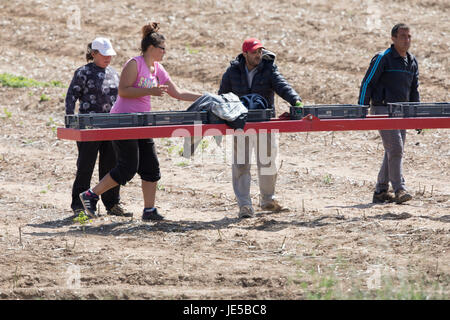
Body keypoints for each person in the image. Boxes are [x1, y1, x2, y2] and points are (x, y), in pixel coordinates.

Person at [79, 23, 202, 221]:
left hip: (143, 123)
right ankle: (90, 195)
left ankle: (149, 210)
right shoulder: (134, 64)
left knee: (151, 168)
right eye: (162, 48)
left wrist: (204, 97)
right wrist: (150, 91)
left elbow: (177, 93)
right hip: (123, 121)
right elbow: (124, 90)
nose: (164, 52)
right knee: (128, 167)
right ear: (152, 48)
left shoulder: (158, 69)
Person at [218, 38, 303, 218]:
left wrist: (295, 100)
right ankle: (245, 206)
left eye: (260, 52)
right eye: (254, 52)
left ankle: (268, 200)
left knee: (267, 163)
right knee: (241, 164)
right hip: (240, 124)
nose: (258, 55)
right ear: (245, 54)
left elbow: (282, 86)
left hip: (265, 123)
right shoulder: (232, 71)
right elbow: (222, 95)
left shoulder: (269, 69)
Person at [66, 37, 129, 217]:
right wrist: (70, 122)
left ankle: (112, 204)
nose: (108, 58)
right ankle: (78, 205)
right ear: (94, 54)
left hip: (111, 126)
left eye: (110, 55)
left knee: (110, 166)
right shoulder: (83, 73)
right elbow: (71, 96)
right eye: (104, 55)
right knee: (86, 165)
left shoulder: (115, 73)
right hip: (88, 128)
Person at [358, 23, 419, 204]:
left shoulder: (412, 61)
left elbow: (414, 90)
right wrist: (362, 108)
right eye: (402, 36)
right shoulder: (383, 58)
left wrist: (417, 115)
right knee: (396, 149)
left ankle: (381, 191)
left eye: (409, 36)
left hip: (402, 112)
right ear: (393, 38)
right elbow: (367, 82)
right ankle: (400, 189)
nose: (406, 40)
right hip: (383, 110)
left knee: (391, 151)